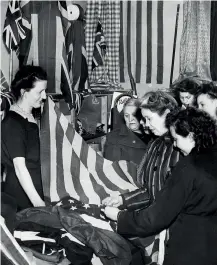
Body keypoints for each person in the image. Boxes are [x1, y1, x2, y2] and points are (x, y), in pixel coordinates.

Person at [104, 107, 217, 265]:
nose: (175, 146)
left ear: (191, 136)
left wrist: (119, 217)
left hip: (189, 248)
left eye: (176, 139)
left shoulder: (188, 168)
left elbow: (155, 218)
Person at [1, 65, 47, 211]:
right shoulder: (13, 124)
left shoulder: (29, 117)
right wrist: (39, 205)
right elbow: (20, 169)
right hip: (23, 200)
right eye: (40, 92)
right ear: (24, 92)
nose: (44, 96)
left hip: (36, 193)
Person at [104, 98, 152, 165]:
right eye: (126, 116)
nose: (130, 119)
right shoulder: (114, 138)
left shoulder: (153, 133)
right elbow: (113, 171)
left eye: (134, 115)